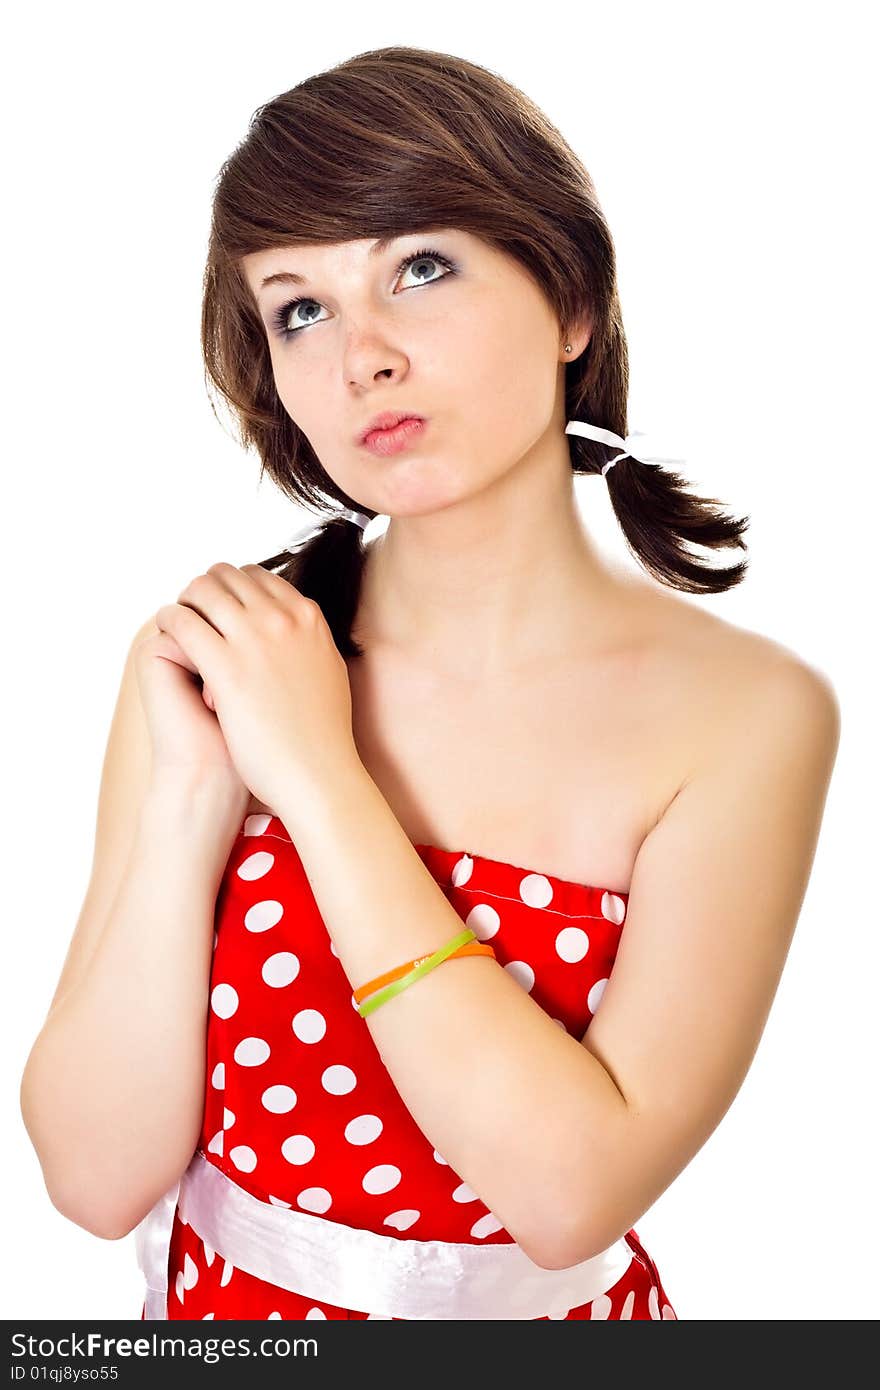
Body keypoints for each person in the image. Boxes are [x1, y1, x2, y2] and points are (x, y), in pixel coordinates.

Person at [19, 45, 840, 1322]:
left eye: (419, 267)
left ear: (570, 299)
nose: (363, 357)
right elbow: (92, 1175)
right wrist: (195, 792)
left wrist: (317, 779)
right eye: (299, 308)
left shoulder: (745, 715)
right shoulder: (221, 658)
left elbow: (569, 1195)